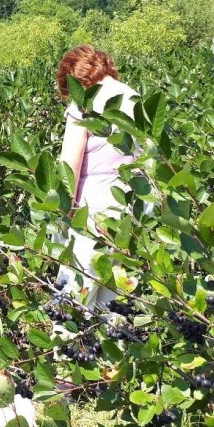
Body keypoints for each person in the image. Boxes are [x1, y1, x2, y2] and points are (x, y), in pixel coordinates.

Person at [54, 45, 140, 310]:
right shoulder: (136, 98)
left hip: (93, 213)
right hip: (134, 211)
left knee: (72, 302)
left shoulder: (84, 104)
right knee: (113, 308)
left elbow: (70, 165)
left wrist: (63, 212)